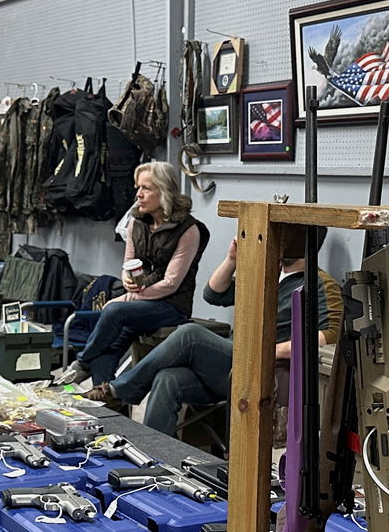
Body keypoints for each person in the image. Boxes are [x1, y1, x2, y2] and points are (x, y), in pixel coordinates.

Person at [81, 228, 333, 437]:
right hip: (231, 364)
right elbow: (213, 294)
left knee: (190, 333)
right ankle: (157, 457)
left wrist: (271, 351)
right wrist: (232, 259)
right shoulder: (268, 275)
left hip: (264, 370)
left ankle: (117, 391)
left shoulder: (318, 282)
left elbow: (327, 335)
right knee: (168, 378)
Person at [55, 161, 210, 388]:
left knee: (114, 310)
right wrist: (128, 282)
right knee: (109, 345)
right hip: (139, 301)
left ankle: (82, 363)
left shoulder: (189, 230)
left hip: (171, 305)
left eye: (146, 188)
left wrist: (130, 297)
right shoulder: (136, 222)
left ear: (164, 191)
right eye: (138, 187)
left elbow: (171, 283)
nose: (139, 194)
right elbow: (128, 264)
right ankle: (107, 401)